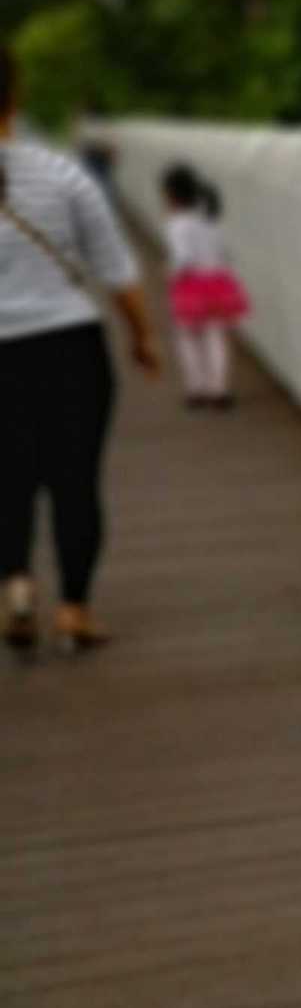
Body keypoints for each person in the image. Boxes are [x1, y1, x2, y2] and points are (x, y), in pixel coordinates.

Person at [0, 42, 161, 654]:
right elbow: (118, 272)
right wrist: (143, 338)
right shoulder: (63, 175)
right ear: (15, 98)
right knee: (75, 481)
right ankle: (74, 608)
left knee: (7, 478)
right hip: (70, 349)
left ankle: (17, 588)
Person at [159, 163, 250, 408]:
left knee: (188, 338)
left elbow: (183, 258)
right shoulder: (210, 220)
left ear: (171, 195)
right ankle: (219, 389)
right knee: (215, 336)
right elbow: (224, 252)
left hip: (190, 285)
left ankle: (196, 389)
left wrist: (170, 274)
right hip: (218, 282)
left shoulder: (177, 224)